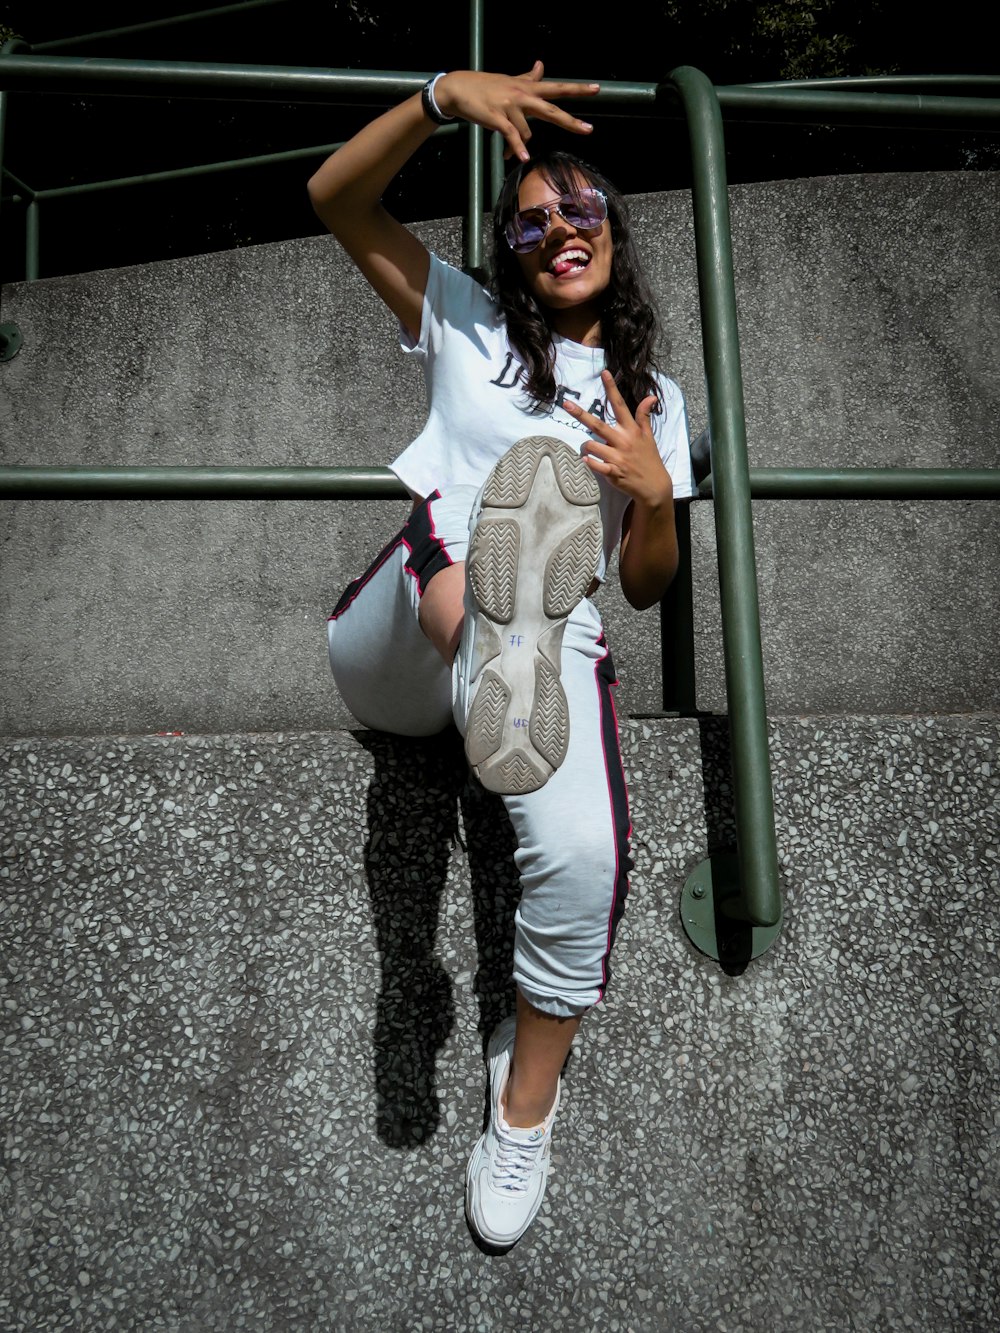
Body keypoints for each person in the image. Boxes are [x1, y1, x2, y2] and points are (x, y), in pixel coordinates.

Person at [308, 62, 694, 1249]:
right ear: (508, 249)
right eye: (529, 220)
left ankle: (521, 1108)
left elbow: (642, 586)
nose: (556, 233)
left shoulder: (656, 401)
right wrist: (435, 102)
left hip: (558, 634)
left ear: (613, 231)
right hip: (404, 640)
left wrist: (655, 499)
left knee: (581, 855)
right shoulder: (466, 316)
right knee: (454, 528)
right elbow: (335, 197)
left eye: (578, 212)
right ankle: (491, 651)